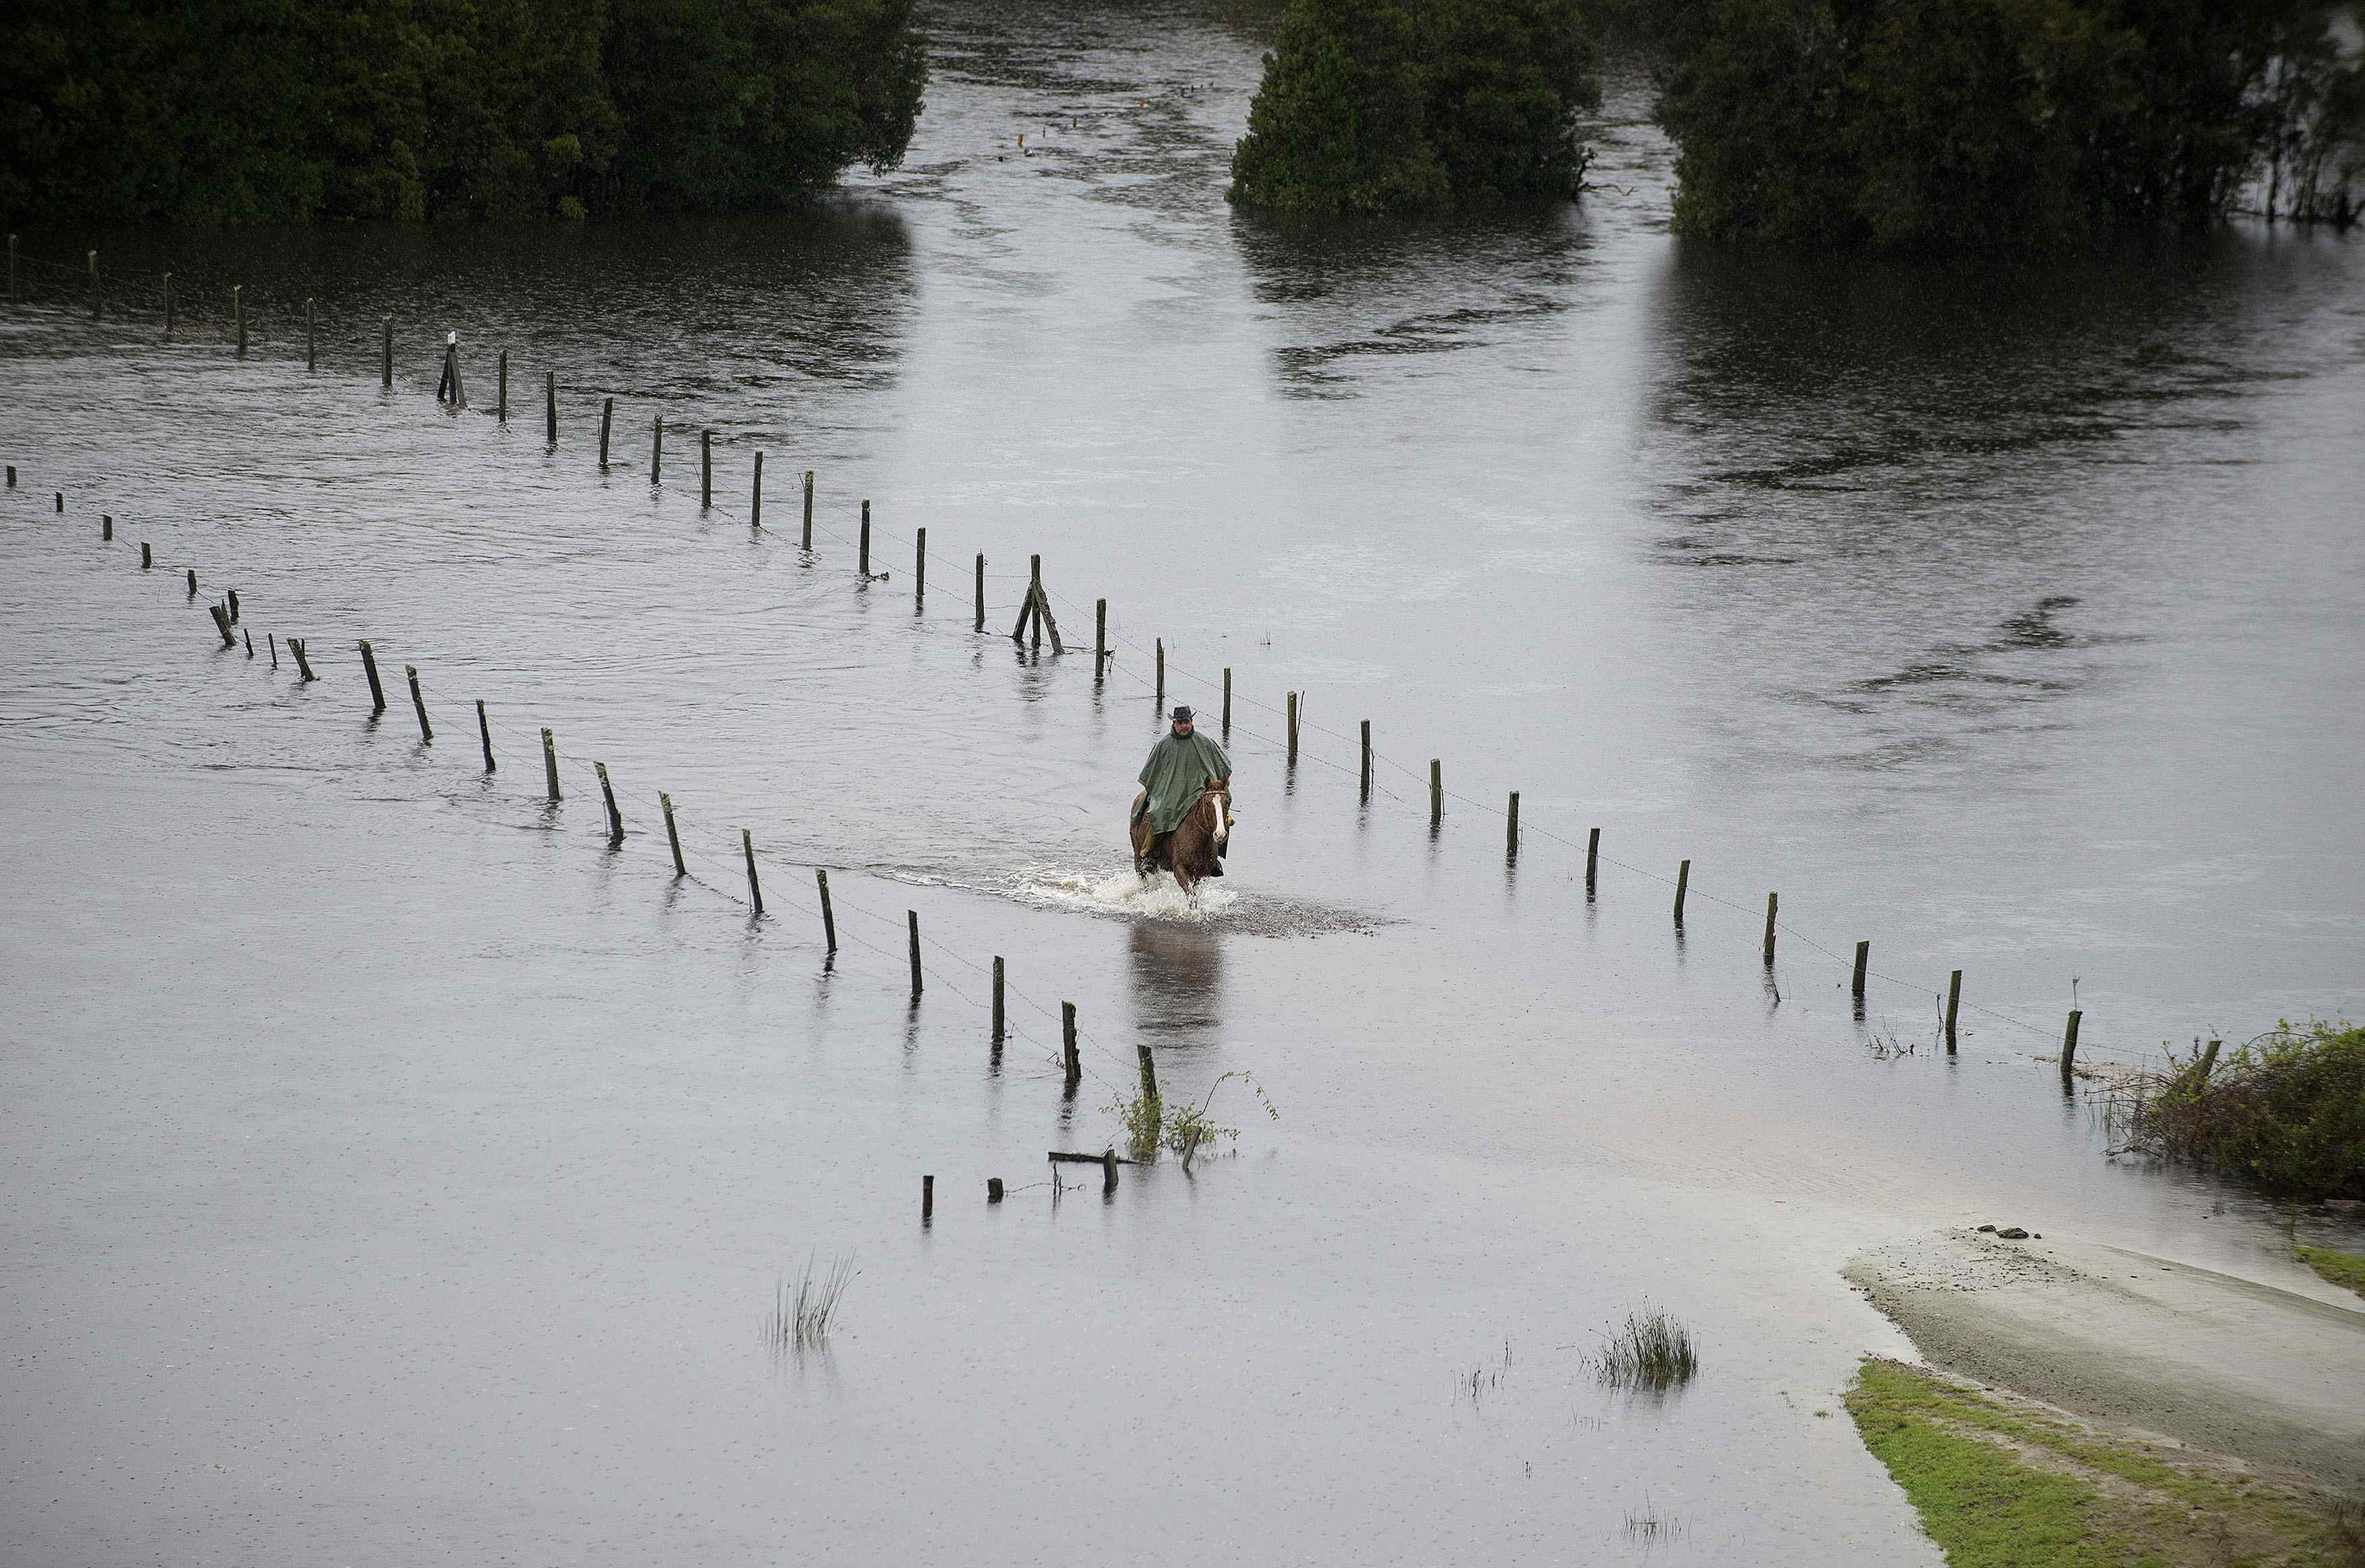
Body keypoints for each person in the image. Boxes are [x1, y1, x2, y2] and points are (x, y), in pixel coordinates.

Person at [1132, 706, 1231, 876]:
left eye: (1186, 722)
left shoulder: (1205, 743)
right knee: (1158, 813)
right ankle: (1150, 853)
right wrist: (1161, 789)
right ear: (1174, 723)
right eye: (1180, 723)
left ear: (1192, 722)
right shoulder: (1164, 745)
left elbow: (1222, 768)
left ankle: (1214, 859)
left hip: (1199, 792)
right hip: (1170, 794)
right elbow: (1152, 772)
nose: (1184, 726)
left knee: (1220, 814)